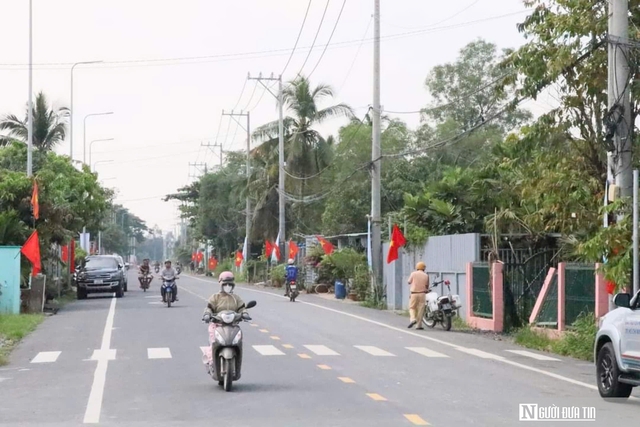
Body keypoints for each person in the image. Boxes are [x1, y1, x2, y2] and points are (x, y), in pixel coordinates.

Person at [201, 271, 250, 370]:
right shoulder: (215, 297)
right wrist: (207, 314)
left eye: (230, 284)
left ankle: (237, 362)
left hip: (233, 325)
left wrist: (244, 314)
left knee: (238, 342)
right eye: (225, 284)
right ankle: (211, 361)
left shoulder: (236, 298)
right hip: (217, 325)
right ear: (220, 284)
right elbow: (209, 308)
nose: (227, 286)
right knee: (213, 342)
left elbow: (242, 308)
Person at [407, 261, 430, 330]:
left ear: (417, 267)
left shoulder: (413, 274)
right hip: (422, 294)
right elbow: (427, 286)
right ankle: (418, 325)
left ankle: (413, 319)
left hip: (414, 293)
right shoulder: (426, 275)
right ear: (424, 268)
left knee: (412, 308)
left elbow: (409, 282)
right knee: (421, 309)